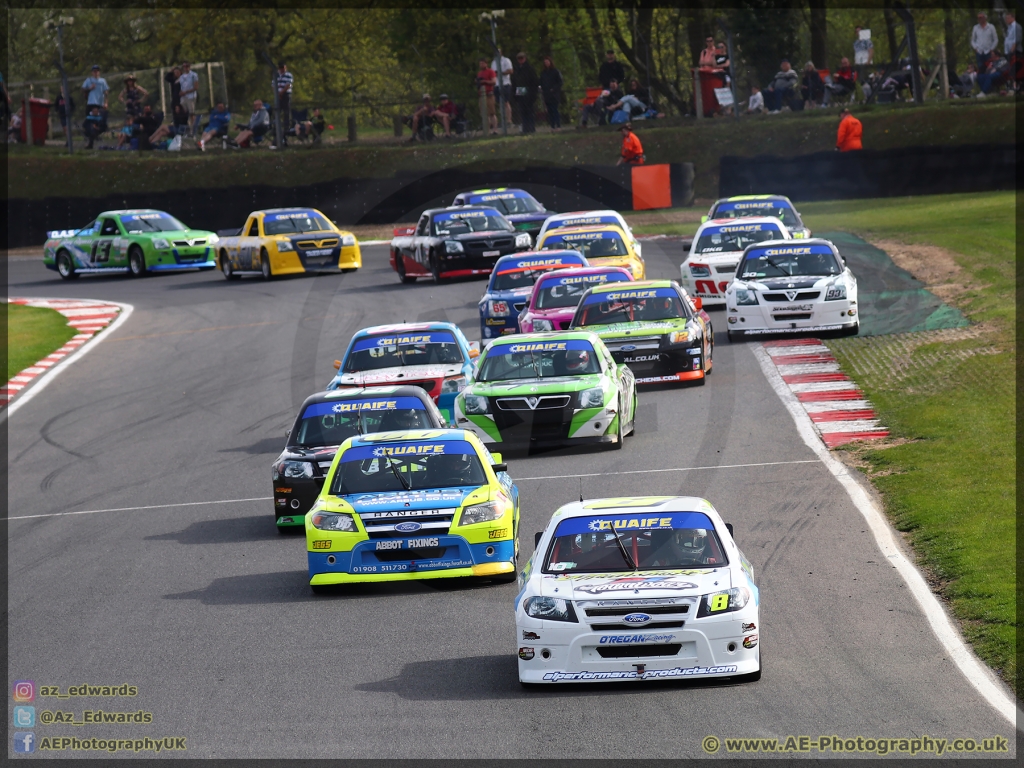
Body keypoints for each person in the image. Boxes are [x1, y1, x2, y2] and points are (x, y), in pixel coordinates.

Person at [512, 52, 539, 134]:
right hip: (520, 91)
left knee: (529, 110)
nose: (520, 60)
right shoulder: (517, 70)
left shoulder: (530, 69)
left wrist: (533, 93)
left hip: (529, 91)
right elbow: (514, 82)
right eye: (519, 59)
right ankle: (525, 128)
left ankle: (531, 128)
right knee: (522, 111)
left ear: (525, 58)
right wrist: (515, 93)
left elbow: (534, 82)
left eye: (522, 58)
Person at [539, 56, 563, 129]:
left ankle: (558, 125)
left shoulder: (555, 71)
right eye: (545, 62)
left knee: (555, 109)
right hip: (546, 94)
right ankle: (552, 126)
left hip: (554, 94)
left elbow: (560, 82)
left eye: (547, 62)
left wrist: (554, 89)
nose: (546, 63)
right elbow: (540, 82)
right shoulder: (543, 73)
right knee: (550, 111)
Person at [492, 47, 513, 126]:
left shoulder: (506, 60)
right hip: (497, 84)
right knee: (499, 103)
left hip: (505, 83)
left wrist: (501, 73)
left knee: (506, 102)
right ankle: (502, 120)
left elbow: (510, 70)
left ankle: (509, 120)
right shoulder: (494, 62)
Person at [476, 58, 498, 134]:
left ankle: (495, 130)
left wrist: (484, 81)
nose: (481, 65)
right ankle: (487, 130)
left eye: (483, 63)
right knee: (484, 113)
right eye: (480, 63)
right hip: (481, 95)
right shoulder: (479, 73)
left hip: (489, 94)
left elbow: (494, 81)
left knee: (492, 113)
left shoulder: (490, 71)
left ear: (486, 64)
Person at [274, 62, 293, 146]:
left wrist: (281, 92)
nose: (282, 70)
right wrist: (277, 93)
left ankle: (286, 126)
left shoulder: (288, 75)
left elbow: (288, 85)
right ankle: (276, 125)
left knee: (286, 111)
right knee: (277, 111)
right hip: (278, 95)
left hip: (285, 95)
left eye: (283, 68)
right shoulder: (276, 75)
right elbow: (273, 84)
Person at [178, 61, 199, 130]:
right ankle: (188, 127)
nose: (185, 68)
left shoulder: (194, 75)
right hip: (183, 97)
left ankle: (193, 128)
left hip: (190, 96)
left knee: (191, 113)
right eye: (184, 66)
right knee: (184, 113)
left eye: (187, 66)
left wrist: (186, 92)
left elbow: (195, 87)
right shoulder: (181, 76)